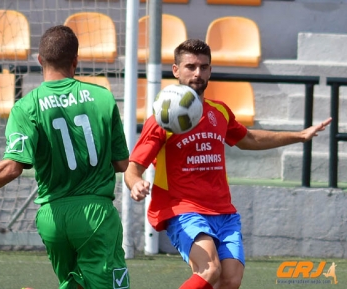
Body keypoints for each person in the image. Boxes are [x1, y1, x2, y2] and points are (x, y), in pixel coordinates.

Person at [0, 25, 130, 289]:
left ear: (40, 60)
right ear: (76, 61)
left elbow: (12, 167)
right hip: (95, 216)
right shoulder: (103, 98)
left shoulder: (26, 106)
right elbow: (122, 163)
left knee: (76, 284)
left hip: (52, 218)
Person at [124, 38, 332, 289]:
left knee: (230, 280)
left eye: (204, 66)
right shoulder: (162, 118)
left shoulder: (219, 111)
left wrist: (299, 136)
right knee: (209, 269)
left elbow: (249, 139)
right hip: (183, 210)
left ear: (210, 70)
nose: (197, 73)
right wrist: (136, 183)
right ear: (176, 70)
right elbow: (133, 167)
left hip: (224, 212)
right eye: (190, 66)